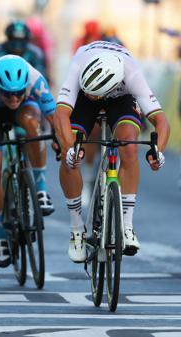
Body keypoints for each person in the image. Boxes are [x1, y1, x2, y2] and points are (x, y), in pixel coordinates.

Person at [55, 41, 169, 262]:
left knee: (128, 146)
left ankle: (127, 226)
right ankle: (77, 230)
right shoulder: (79, 63)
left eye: (97, 96)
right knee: (71, 154)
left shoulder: (132, 73)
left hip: (120, 98)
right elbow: (60, 114)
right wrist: (70, 148)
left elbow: (160, 120)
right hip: (84, 96)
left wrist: (158, 151)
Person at [0, 55, 55, 267]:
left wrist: (63, 143)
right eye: (8, 94)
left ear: (25, 85)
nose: (14, 99)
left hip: (29, 107)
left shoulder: (36, 80)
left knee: (32, 125)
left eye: (18, 93)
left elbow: (56, 121)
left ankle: (40, 187)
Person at [0, 21, 53, 214]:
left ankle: (39, 185)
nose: (18, 45)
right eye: (14, 40)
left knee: (31, 127)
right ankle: (7, 173)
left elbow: (44, 81)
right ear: (7, 39)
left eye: (22, 41)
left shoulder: (36, 54)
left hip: (26, 98)